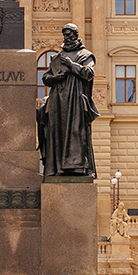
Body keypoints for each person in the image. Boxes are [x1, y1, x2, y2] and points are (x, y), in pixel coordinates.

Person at [38, 23, 98, 177]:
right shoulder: (58, 57)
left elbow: (89, 73)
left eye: (70, 34)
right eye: (65, 34)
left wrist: (72, 66)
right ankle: (57, 168)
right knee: (56, 134)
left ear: (76, 35)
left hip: (75, 101)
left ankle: (76, 168)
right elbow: (45, 77)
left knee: (76, 134)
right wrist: (55, 77)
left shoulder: (86, 55)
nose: (67, 37)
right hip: (58, 101)